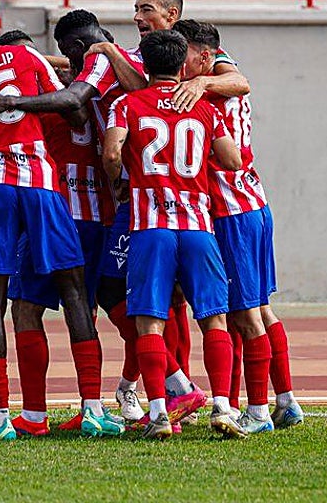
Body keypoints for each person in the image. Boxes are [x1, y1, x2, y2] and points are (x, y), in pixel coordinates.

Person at [0, 2, 120, 440]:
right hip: (40, 181)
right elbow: (73, 110)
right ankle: (92, 407)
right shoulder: (25, 57)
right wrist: (22, 104)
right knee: (74, 290)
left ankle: (0, 419)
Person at [102, 29, 246, 439]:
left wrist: (119, 180)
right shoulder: (203, 108)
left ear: (143, 65)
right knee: (214, 319)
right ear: (182, 64)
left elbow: (112, 153)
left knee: (150, 322)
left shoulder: (126, 103)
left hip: (151, 228)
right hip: (198, 226)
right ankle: (223, 407)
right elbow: (232, 159)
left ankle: (161, 413)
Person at [0, 28, 128, 434]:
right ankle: (97, 408)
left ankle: (34, 414)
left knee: (26, 309)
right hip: (98, 216)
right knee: (83, 307)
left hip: (50, 210)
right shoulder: (100, 89)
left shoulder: (31, 102)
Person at [173, 20, 304, 433]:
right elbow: (239, 80)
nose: (181, 63)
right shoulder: (222, 81)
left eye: (187, 53)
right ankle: (285, 400)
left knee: (243, 316)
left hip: (231, 213)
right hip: (255, 204)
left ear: (206, 56)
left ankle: (259, 412)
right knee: (260, 309)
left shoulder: (206, 93)